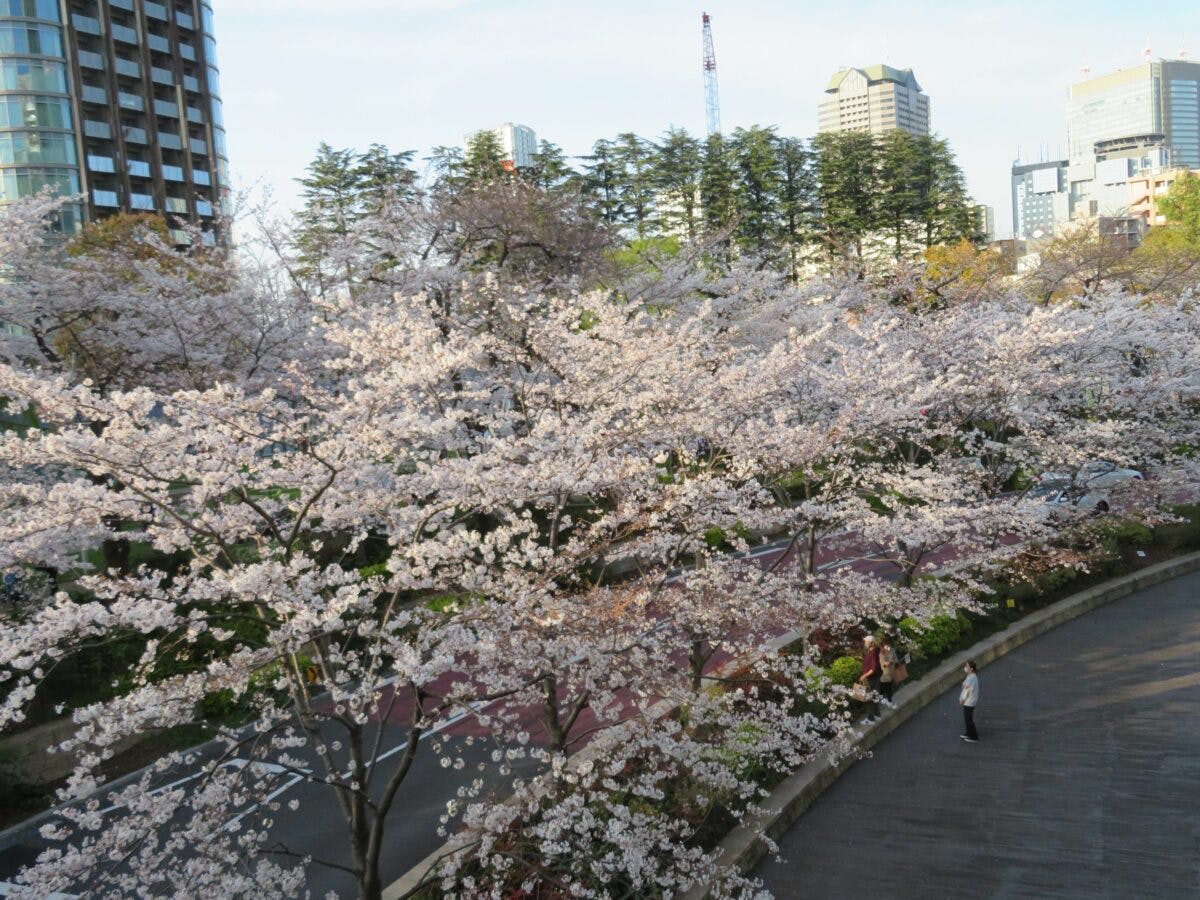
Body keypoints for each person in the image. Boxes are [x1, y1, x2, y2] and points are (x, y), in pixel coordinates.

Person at [858, 635, 881, 717]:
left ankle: (870, 718)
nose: (864, 643)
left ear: (871, 643)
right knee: (874, 696)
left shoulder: (873, 653)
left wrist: (864, 676)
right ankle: (877, 714)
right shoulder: (873, 651)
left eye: (866, 642)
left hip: (871, 679)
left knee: (868, 698)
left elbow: (873, 669)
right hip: (874, 678)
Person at [959, 659, 980, 743]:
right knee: (967, 718)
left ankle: (974, 736)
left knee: (968, 719)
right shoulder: (971, 676)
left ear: (971, 668)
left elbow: (966, 690)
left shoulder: (971, 678)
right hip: (969, 701)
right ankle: (968, 733)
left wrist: (962, 700)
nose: (965, 668)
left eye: (967, 666)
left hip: (969, 701)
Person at [879, 637, 899, 702]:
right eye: (886, 645)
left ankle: (888, 698)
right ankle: (884, 698)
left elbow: (896, 659)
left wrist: (893, 662)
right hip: (884, 673)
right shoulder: (881, 653)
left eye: (888, 644)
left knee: (888, 686)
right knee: (884, 686)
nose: (887, 646)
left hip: (891, 672)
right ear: (883, 646)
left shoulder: (892, 650)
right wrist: (886, 663)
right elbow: (881, 662)